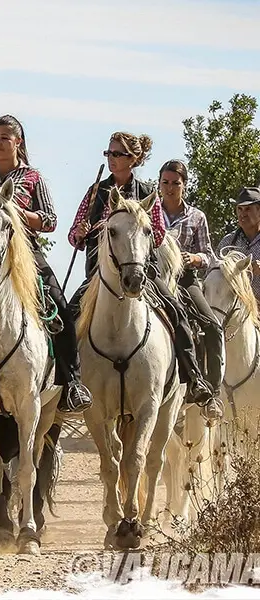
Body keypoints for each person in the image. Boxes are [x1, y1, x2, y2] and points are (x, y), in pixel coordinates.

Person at [0, 115, 92, 413]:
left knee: (60, 307)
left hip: (24, 255)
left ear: (18, 142)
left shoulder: (33, 178)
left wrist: (15, 214)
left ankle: (71, 382)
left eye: (4, 138)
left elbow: (49, 220)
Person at [68, 132, 215, 413]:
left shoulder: (147, 192)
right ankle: (68, 382)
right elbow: (74, 235)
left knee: (177, 310)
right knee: (67, 315)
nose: (112, 159)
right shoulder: (96, 192)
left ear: (133, 159)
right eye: (109, 154)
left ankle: (193, 377)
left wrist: (138, 224)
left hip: (142, 271)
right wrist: (83, 232)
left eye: (118, 154)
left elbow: (158, 235)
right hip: (100, 274)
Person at [160, 159, 224, 418]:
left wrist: (195, 259)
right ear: (159, 183)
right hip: (157, 279)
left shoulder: (197, 216)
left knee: (211, 325)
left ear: (184, 184)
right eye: (165, 182)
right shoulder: (151, 212)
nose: (170, 188)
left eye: (176, 183)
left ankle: (212, 393)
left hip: (185, 280)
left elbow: (209, 254)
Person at [216, 187, 260, 307]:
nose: (242, 214)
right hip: (233, 311)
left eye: (248, 209)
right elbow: (213, 273)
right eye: (239, 209)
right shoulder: (228, 242)